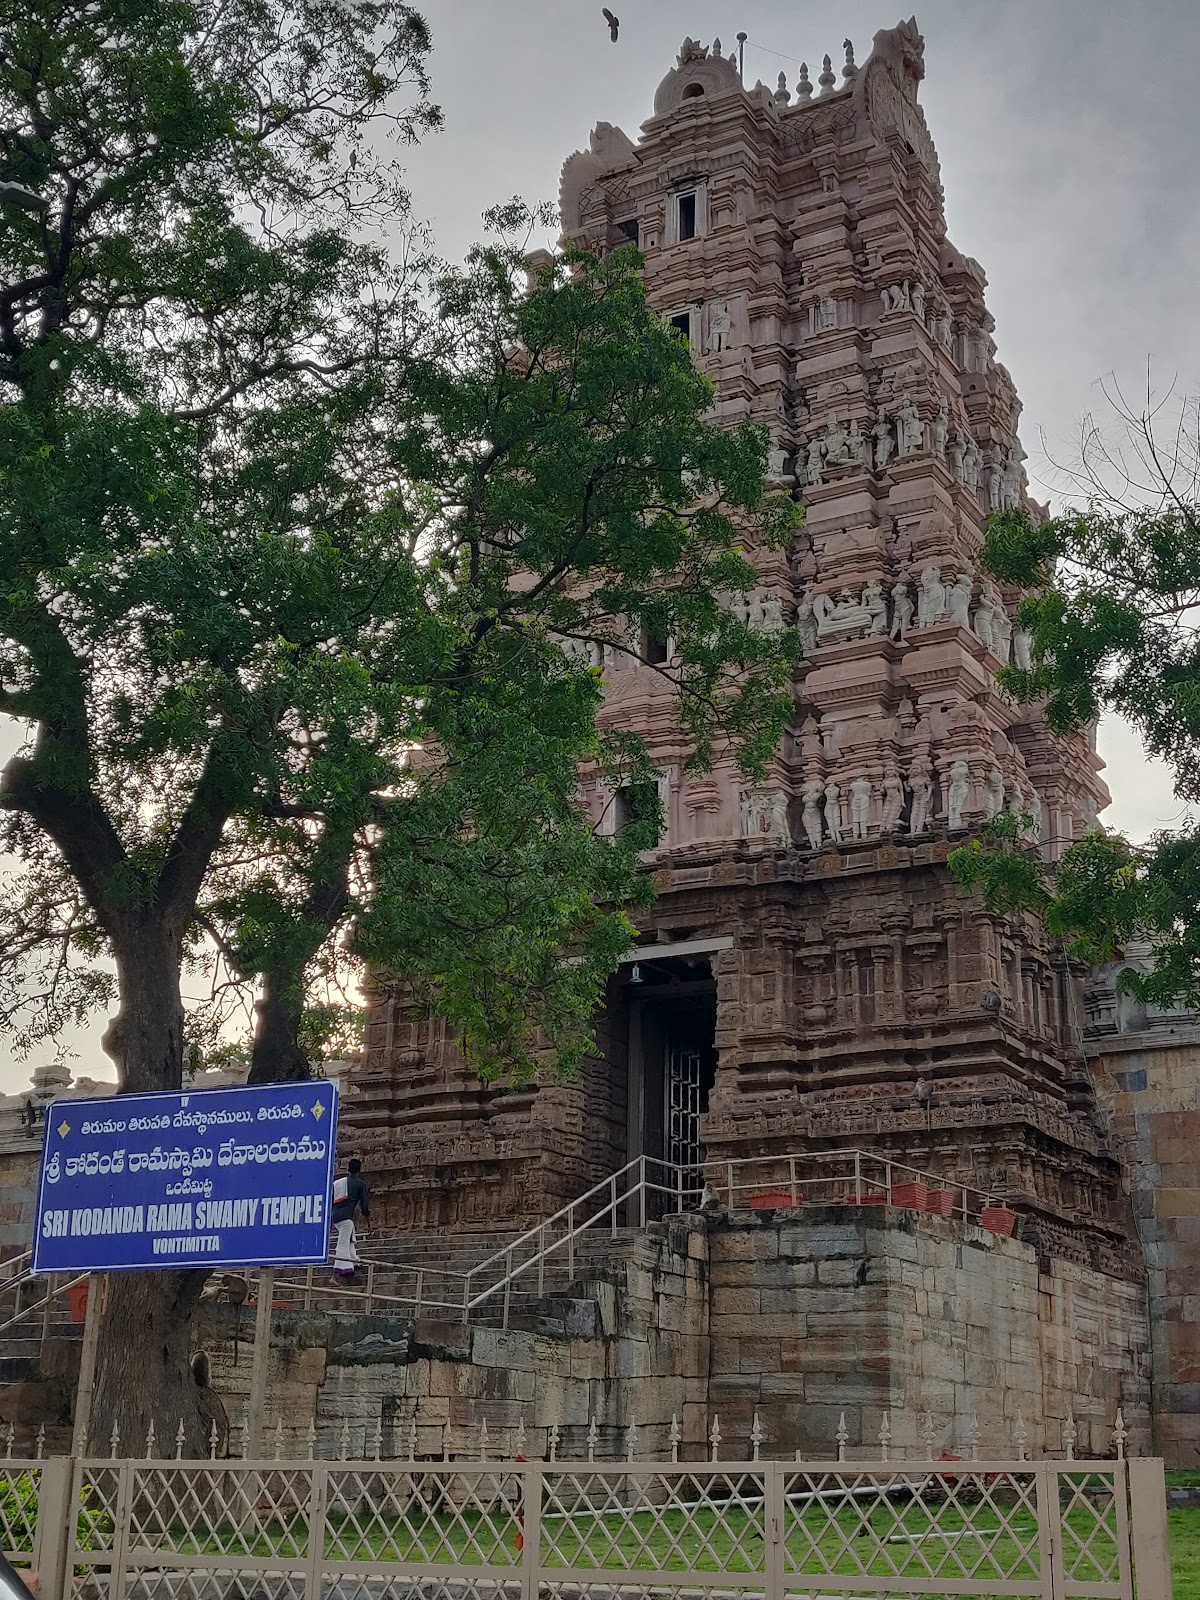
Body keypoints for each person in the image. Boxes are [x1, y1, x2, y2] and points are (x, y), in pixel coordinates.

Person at [331, 1158, 370, 1280]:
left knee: (350, 1240)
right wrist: (368, 1221)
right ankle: (336, 1274)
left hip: (335, 1217)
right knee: (342, 1244)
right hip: (346, 1218)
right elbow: (364, 1206)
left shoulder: (338, 1183)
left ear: (348, 1169)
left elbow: (330, 1200)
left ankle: (355, 1262)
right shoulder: (360, 1184)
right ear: (359, 1170)